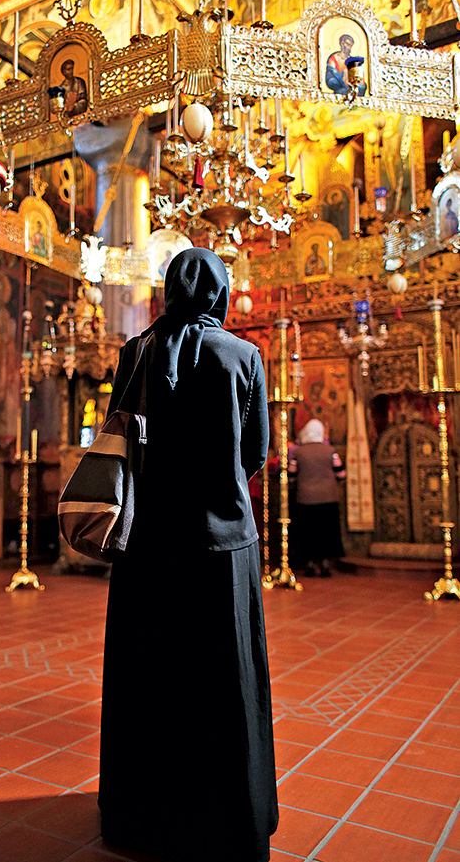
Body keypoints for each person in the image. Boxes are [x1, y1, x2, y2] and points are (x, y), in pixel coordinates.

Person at [99, 248, 278, 862]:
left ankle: (141, 814)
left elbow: (116, 440)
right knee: (226, 680)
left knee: (151, 677)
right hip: (222, 544)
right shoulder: (243, 356)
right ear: (220, 293)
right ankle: (232, 817)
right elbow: (254, 453)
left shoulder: (135, 353)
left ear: (169, 289)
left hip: (146, 546)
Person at [288, 418, 345, 577]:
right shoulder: (330, 450)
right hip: (328, 497)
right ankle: (325, 564)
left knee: (308, 532)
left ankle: (310, 564)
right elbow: (341, 472)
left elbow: (291, 476)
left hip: (305, 498)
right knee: (326, 532)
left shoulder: (298, 452)